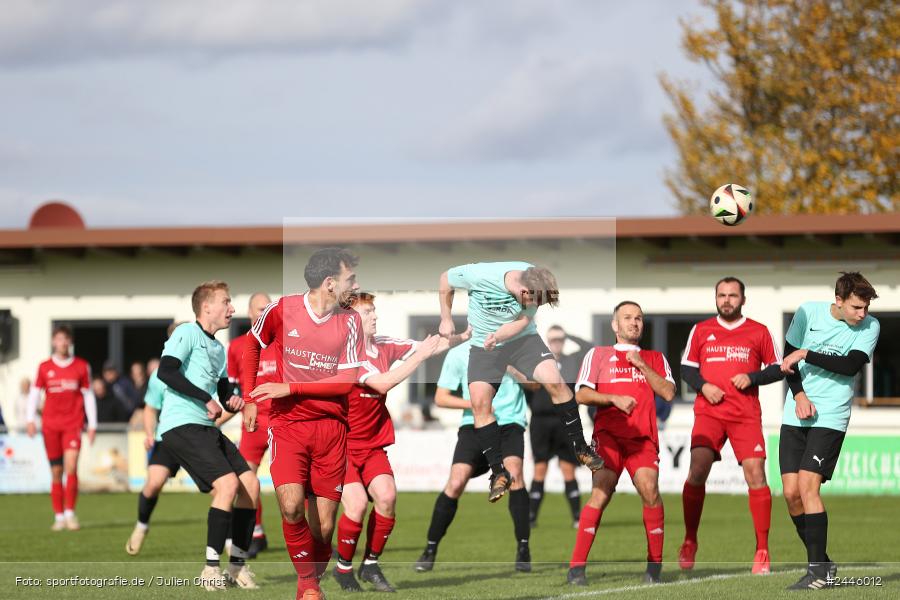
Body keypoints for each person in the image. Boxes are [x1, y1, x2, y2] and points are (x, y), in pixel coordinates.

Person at [241, 247, 365, 600]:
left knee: (323, 529)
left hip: (331, 428)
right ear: (330, 283)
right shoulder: (283, 309)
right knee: (292, 506)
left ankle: (310, 580)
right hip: (288, 424)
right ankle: (308, 587)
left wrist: (290, 385)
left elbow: (347, 381)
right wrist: (250, 397)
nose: (355, 285)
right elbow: (252, 343)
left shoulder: (351, 320)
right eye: (350, 279)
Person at [438, 261, 603, 502]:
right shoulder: (480, 275)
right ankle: (497, 473)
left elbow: (524, 321)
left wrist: (498, 335)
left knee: (556, 382)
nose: (536, 306)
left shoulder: (536, 278)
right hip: (484, 348)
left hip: (521, 341)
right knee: (480, 404)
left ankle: (581, 447)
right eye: (535, 302)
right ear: (523, 291)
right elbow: (445, 278)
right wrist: (446, 317)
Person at [333, 292, 458, 592]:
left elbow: (432, 346)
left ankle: (371, 565)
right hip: (341, 447)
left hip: (372, 445)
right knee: (358, 504)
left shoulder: (384, 345)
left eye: (374, 310)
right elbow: (383, 382)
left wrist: (468, 333)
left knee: (387, 498)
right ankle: (343, 569)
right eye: (367, 312)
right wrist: (420, 356)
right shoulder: (345, 356)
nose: (374, 316)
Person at [155, 281, 259, 590]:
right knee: (227, 485)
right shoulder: (187, 332)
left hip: (204, 426)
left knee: (250, 484)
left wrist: (234, 399)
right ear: (207, 307)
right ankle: (210, 570)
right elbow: (167, 371)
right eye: (226, 302)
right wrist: (206, 398)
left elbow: (225, 392)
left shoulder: (219, 348)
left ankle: (237, 568)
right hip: (180, 425)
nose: (232, 308)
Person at [779, 272, 880, 590]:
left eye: (865, 307)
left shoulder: (870, 326)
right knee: (792, 495)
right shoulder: (807, 312)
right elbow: (787, 361)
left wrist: (808, 353)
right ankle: (824, 563)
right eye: (856, 307)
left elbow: (850, 366)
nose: (862, 314)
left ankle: (817, 575)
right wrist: (799, 395)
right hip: (796, 412)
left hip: (831, 416)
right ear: (838, 301)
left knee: (809, 487)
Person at [678, 277, 784, 575]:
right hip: (708, 413)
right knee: (697, 470)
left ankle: (762, 549)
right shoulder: (701, 330)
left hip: (745, 415)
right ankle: (689, 540)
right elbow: (687, 367)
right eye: (722, 295)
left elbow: (777, 368)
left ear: (743, 299)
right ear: (716, 298)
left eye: (733, 295)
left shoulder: (758, 331)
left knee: (756, 474)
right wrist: (704, 386)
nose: (727, 300)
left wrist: (753, 377)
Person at [567, 301, 675, 585]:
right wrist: (612, 398)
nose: (634, 322)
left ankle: (654, 568)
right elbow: (581, 395)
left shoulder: (655, 357)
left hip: (642, 440)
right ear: (615, 325)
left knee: (650, 491)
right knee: (600, 495)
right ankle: (576, 568)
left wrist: (641, 364)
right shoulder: (598, 355)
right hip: (608, 437)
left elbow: (667, 392)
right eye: (627, 318)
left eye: (638, 318)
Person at [414, 342, 536, 574]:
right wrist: (478, 405)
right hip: (474, 424)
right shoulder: (459, 354)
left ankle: (523, 549)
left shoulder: (516, 347)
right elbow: (441, 398)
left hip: (510, 423)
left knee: (515, 475)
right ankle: (430, 549)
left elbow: (536, 386)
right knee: (456, 481)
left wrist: (514, 368)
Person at [26, 325, 97, 531]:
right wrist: (30, 419)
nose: (62, 343)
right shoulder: (43, 367)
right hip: (50, 425)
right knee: (56, 472)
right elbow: (34, 394)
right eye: (58, 339)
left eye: (66, 339)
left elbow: (88, 395)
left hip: (73, 423)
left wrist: (92, 424)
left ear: (70, 342)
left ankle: (70, 514)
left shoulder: (82, 366)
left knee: (71, 465)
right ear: (53, 342)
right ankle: (58, 516)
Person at [226, 291, 276, 558]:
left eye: (268, 309)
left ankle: (314, 539)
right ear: (249, 313)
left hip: (282, 422)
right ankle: (255, 534)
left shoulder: (284, 344)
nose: (263, 313)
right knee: (246, 481)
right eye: (259, 309)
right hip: (253, 425)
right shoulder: (236, 347)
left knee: (299, 483)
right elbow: (232, 391)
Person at [527, 325, 589, 528]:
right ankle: (531, 517)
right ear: (547, 341)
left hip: (565, 421)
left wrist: (568, 334)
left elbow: (590, 346)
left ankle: (577, 518)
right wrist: (538, 406)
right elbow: (528, 389)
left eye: (560, 339)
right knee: (540, 468)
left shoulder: (571, 361)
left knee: (568, 469)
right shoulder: (539, 362)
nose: (557, 343)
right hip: (541, 423)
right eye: (553, 339)